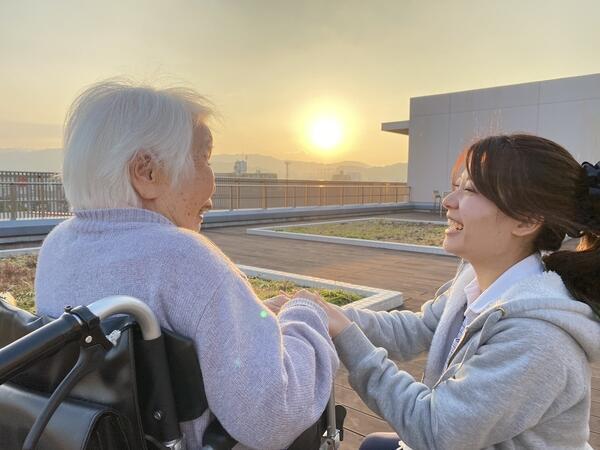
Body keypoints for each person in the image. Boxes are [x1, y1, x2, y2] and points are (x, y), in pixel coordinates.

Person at [34, 79, 339, 450]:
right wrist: (304, 316)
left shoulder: (57, 247)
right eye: (204, 158)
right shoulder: (186, 259)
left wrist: (255, 317)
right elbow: (271, 415)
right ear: (147, 172)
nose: (213, 188)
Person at [295, 134, 600, 449]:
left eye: (470, 190)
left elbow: (434, 430)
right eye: (456, 186)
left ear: (526, 221)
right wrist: (322, 313)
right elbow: (421, 328)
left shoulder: (537, 337)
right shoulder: (478, 279)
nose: (448, 201)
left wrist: (346, 335)